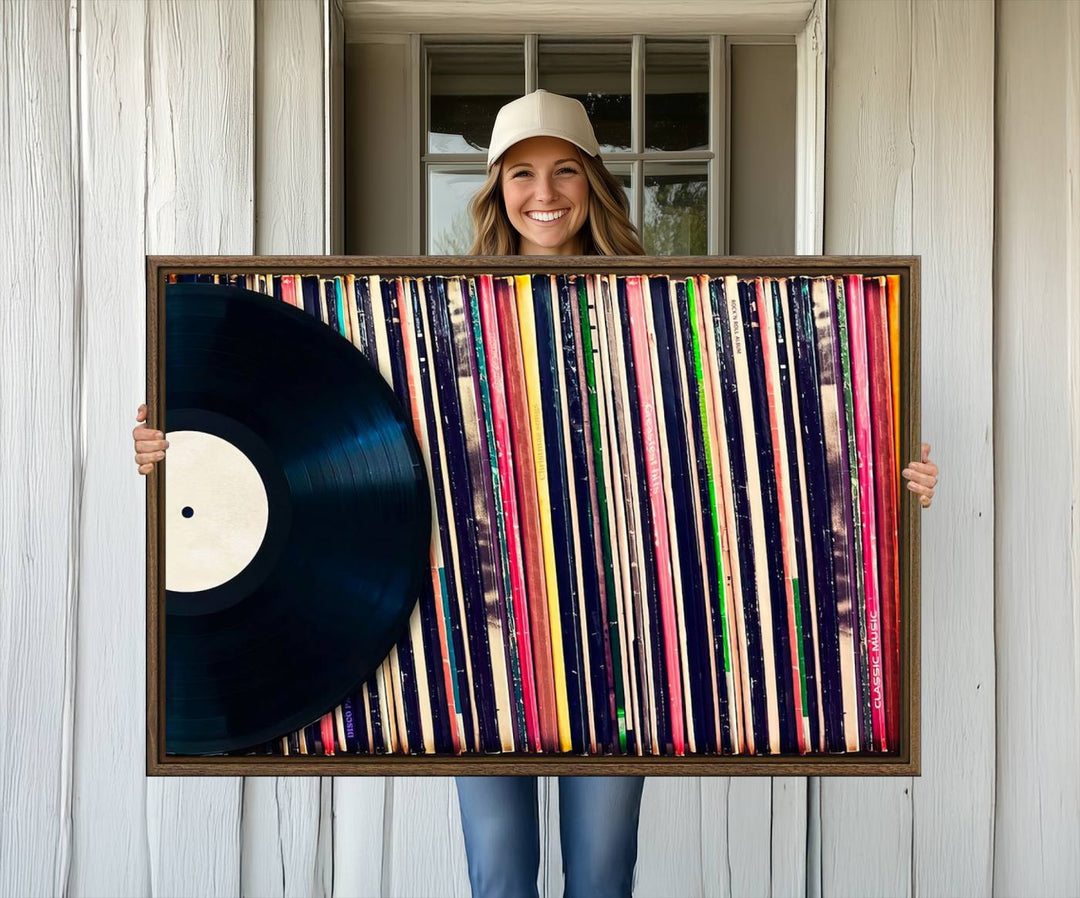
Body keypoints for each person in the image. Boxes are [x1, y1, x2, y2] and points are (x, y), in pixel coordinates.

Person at [130, 89, 940, 898]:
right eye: (522, 174)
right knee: (500, 874)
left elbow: (761, 431)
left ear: (593, 183)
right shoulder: (430, 323)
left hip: (627, 637)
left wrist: (882, 472)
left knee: (600, 874)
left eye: (564, 171)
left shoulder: (667, 311)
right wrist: (181, 435)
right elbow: (313, 421)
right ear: (496, 191)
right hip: (471, 632)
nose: (544, 193)